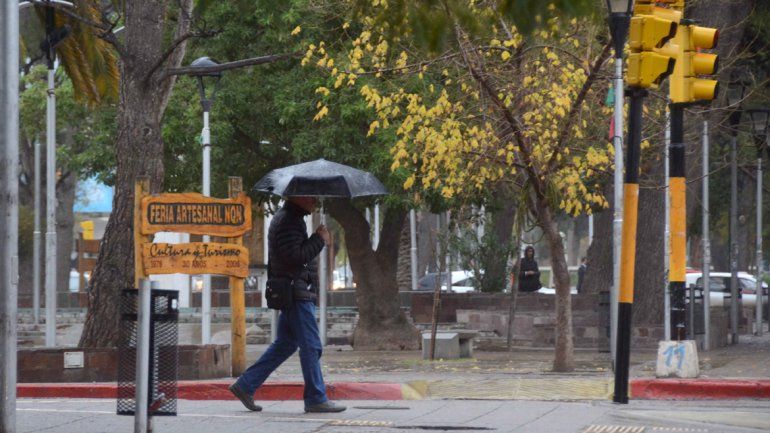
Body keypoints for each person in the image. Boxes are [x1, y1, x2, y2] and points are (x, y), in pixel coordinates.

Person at [229, 196, 346, 413]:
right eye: (310, 197)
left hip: (294, 290)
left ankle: (246, 385)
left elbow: (295, 255)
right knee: (311, 346)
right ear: (297, 197)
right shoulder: (289, 221)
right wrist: (319, 239)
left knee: (286, 344)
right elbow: (296, 257)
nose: (314, 201)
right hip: (295, 293)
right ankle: (315, 398)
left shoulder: (291, 218)